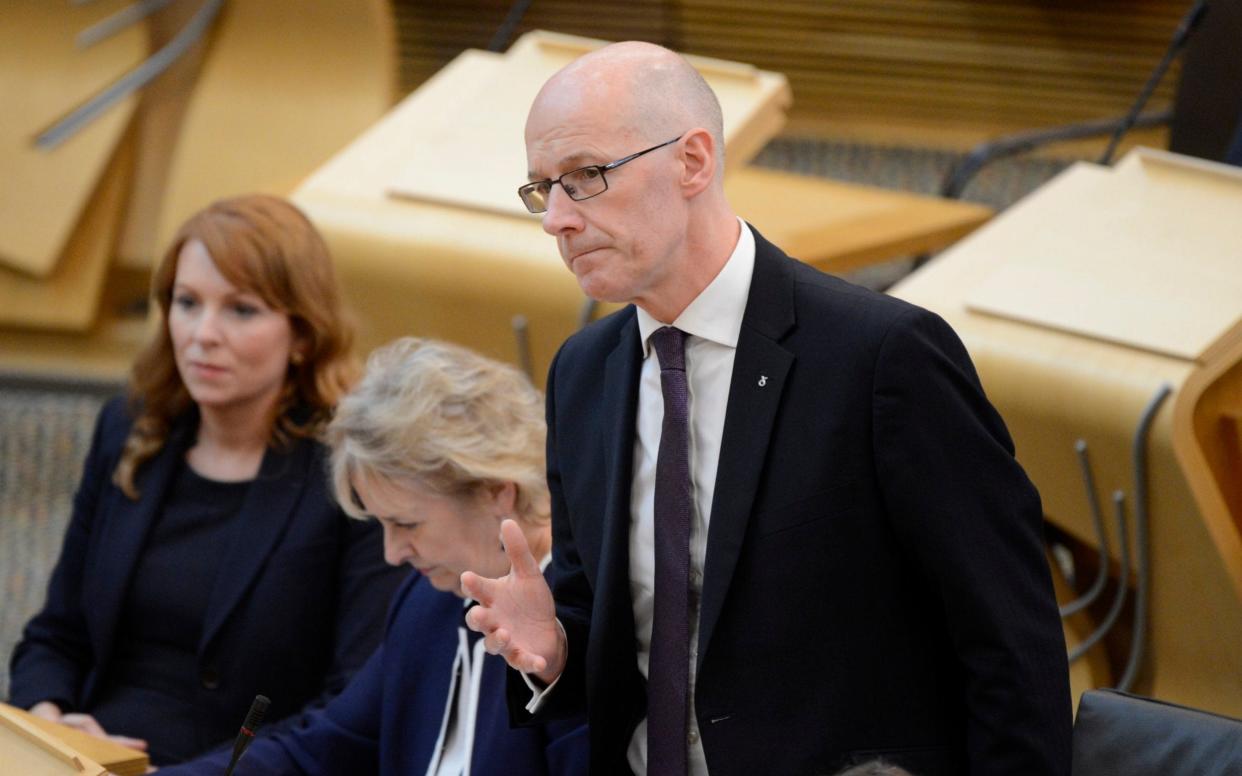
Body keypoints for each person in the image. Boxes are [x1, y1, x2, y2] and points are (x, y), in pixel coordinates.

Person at [462, 42, 1072, 775]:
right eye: (541, 189)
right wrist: (556, 648)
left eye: (585, 177)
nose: (556, 219)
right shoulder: (584, 373)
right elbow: (609, 617)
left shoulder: (881, 358)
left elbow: (1009, 641)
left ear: (693, 162)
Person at [7, 195, 406, 765]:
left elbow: (352, 705)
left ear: (301, 335)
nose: (203, 334)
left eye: (241, 310)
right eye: (187, 303)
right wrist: (50, 726)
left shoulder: (353, 472)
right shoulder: (129, 430)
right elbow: (55, 634)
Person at [158, 337, 588, 775]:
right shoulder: (427, 603)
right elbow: (320, 750)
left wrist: (552, 672)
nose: (392, 552)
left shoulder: (583, 610)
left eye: (406, 524)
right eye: (381, 525)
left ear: (496, 491)